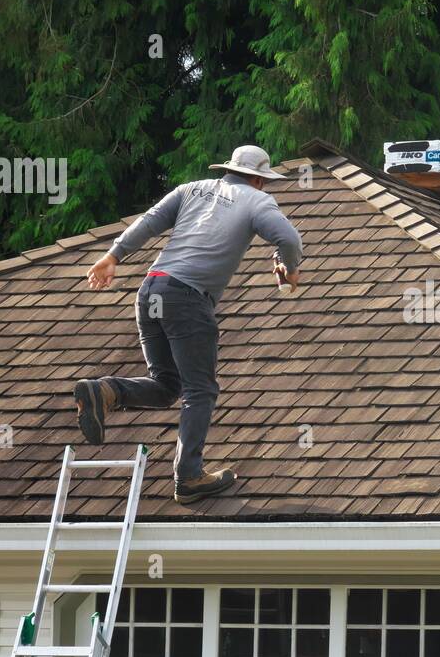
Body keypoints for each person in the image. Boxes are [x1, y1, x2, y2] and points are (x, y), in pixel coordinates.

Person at [76, 145, 303, 503]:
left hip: (152, 290)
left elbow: (149, 221)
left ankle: (106, 391)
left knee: (167, 386)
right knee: (201, 390)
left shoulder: (190, 189)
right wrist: (288, 268)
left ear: (228, 169)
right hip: (186, 298)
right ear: (260, 178)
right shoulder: (257, 201)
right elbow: (289, 238)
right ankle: (189, 476)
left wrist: (112, 256)